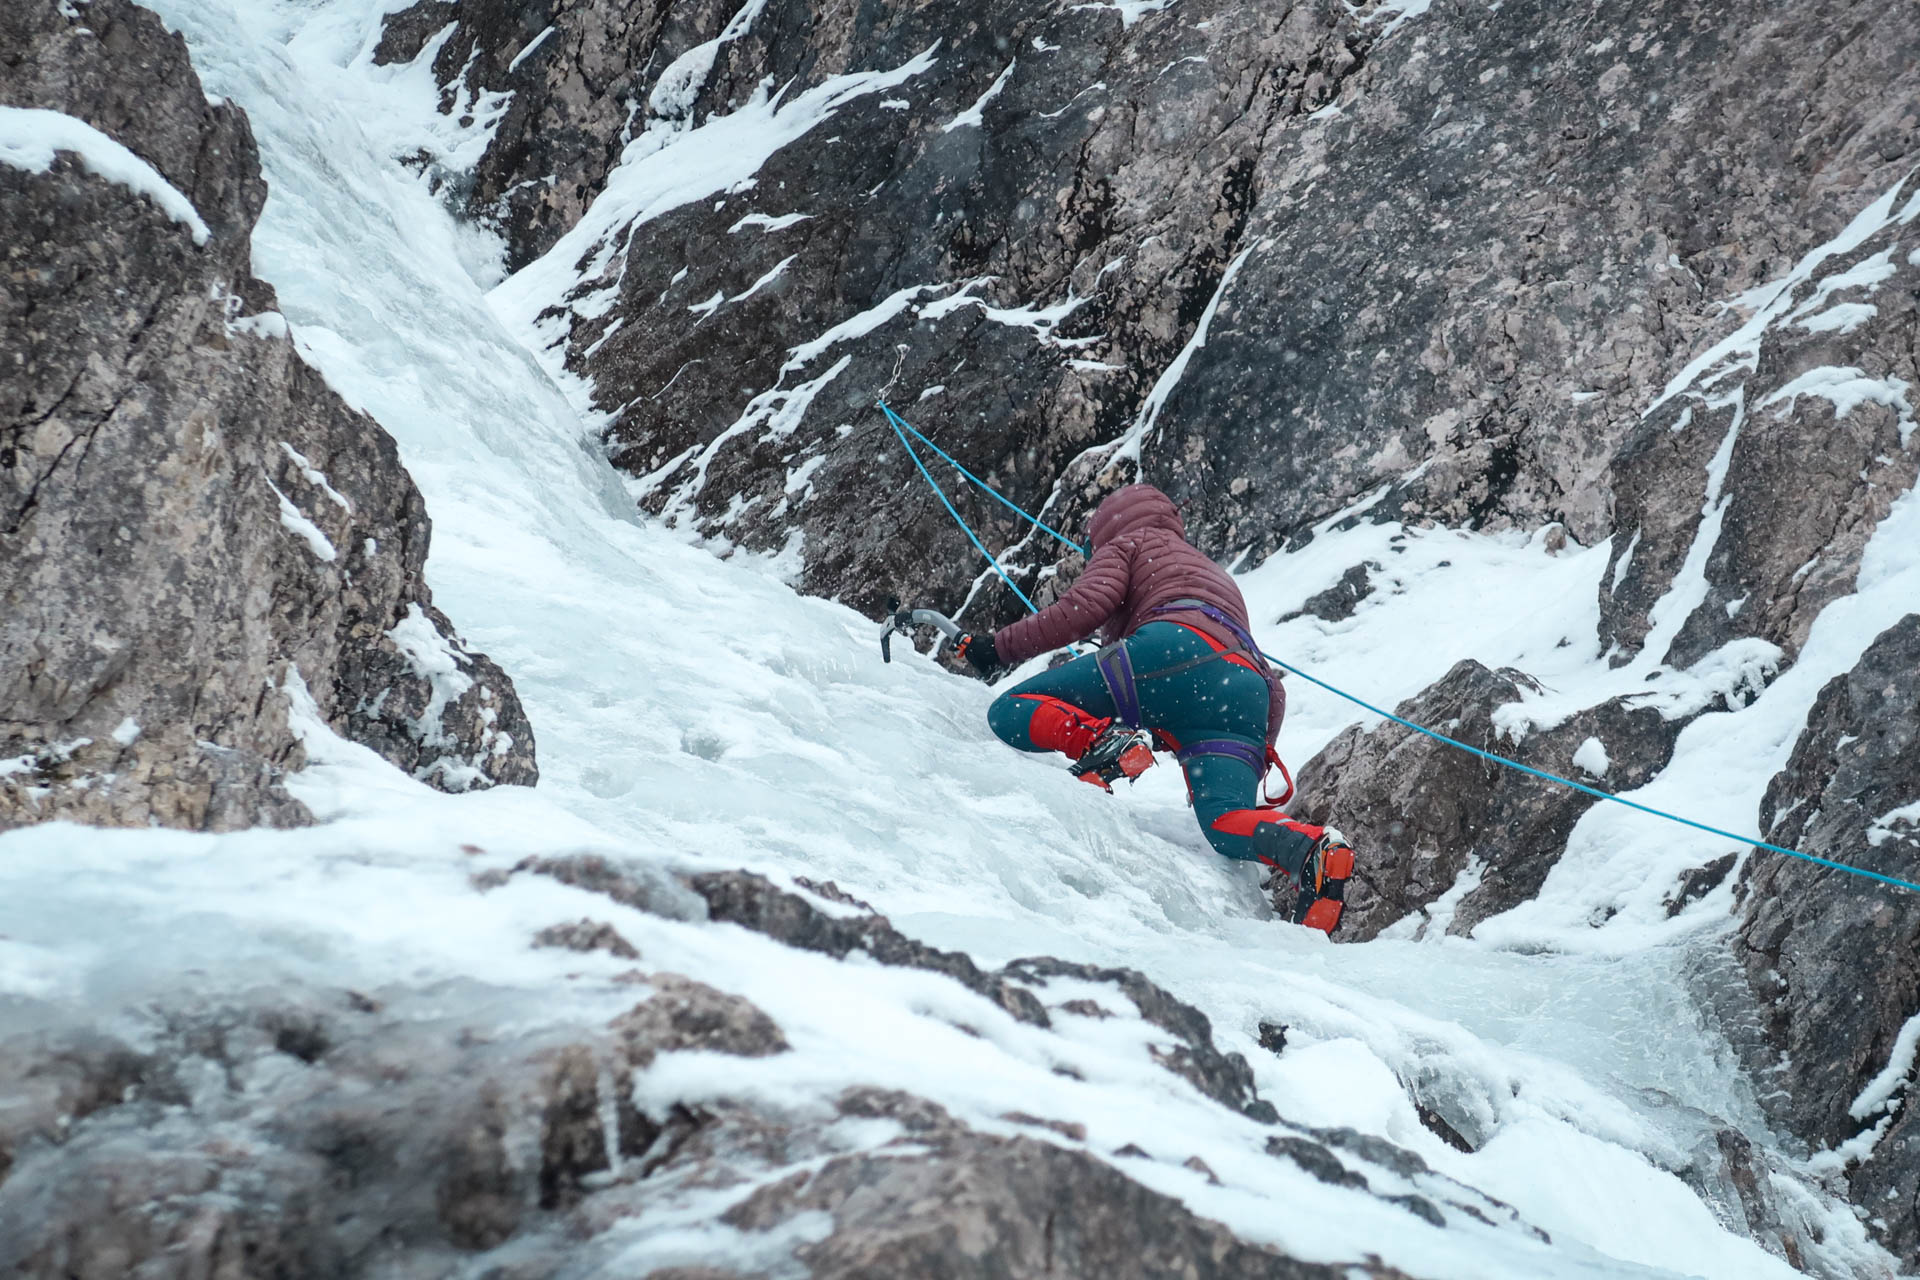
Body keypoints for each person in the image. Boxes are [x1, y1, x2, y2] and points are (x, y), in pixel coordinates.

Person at [954, 484, 1355, 935]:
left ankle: (1099, 741)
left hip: (1171, 650)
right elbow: (1272, 692)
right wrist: (1256, 751)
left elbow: (1085, 606)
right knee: (1223, 820)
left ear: (1106, 526)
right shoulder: (1213, 571)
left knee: (1011, 707)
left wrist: (997, 648)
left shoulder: (1128, 543)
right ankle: (1311, 851)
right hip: (1247, 688)